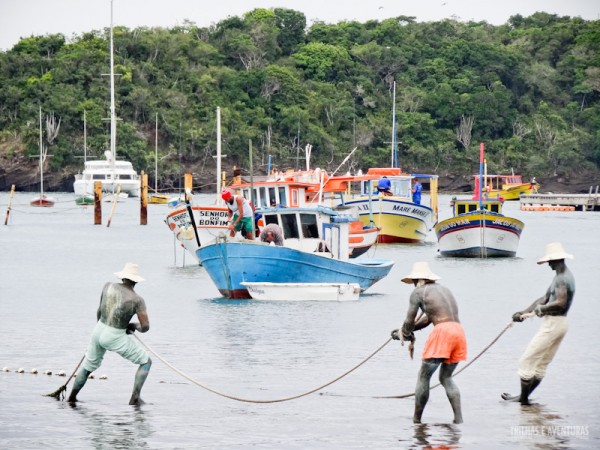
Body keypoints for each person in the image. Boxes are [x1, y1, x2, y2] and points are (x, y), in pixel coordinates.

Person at [391, 262, 467, 424]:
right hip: (458, 331)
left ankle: (416, 421)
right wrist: (407, 332)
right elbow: (429, 318)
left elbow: (409, 321)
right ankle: (458, 420)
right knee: (446, 378)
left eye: (413, 281)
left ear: (419, 280)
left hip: (443, 333)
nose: (412, 285)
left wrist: (403, 333)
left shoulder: (419, 293)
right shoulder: (445, 290)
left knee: (423, 377)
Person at [67, 263, 152, 405]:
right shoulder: (137, 300)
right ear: (136, 280)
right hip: (114, 335)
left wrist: (99, 332)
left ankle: (71, 398)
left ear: (123, 277)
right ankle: (135, 398)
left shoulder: (108, 286)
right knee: (146, 362)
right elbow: (145, 327)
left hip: (98, 329)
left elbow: (99, 311)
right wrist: (132, 326)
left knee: (87, 367)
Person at [502, 242, 575, 405]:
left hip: (554, 324)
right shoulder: (560, 276)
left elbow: (560, 303)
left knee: (526, 361)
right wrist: (523, 312)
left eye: (550, 261)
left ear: (556, 260)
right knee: (541, 364)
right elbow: (544, 298)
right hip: (560, 323)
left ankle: (523, 400)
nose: (548, 264)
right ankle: (524, 398)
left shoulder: (562, 279)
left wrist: (540, 310)